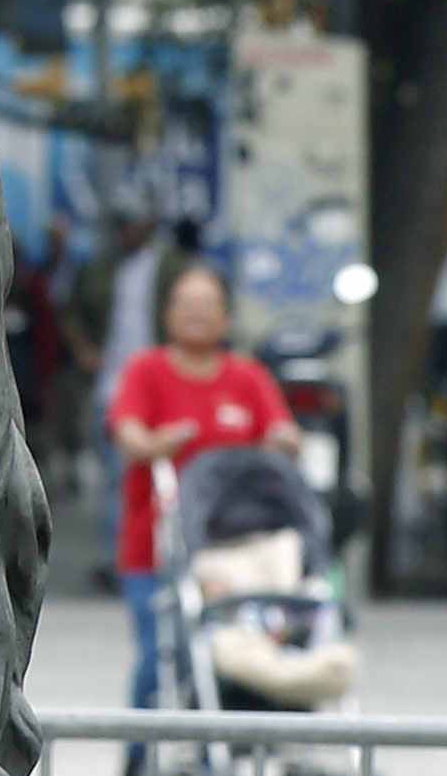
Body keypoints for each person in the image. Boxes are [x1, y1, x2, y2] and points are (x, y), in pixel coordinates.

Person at [105, 256, 302, 720]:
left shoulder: (248, 378)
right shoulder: (145, 372)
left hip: (231, 553)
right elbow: (126, 433)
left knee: (230, 657)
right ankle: (144, 758)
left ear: (226, 317)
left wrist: (284, 440)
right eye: (186, 304)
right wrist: (154, 443)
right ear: (167, 314)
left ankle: (218, 751)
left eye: (207, 304)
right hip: (157, 550)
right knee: (161, 657)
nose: (196, 313)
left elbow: (282, 431)